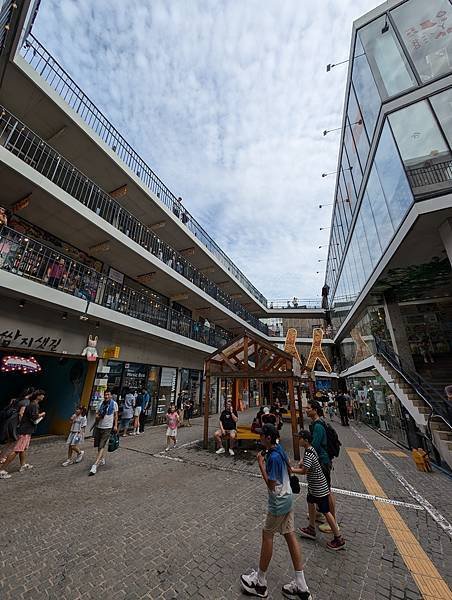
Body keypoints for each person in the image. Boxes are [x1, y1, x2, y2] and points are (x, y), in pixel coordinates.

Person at [240, 424, 311, 599]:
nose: (259, 437)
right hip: (288, 498)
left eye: (262, 435)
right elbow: (288, 467)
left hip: (278, 502)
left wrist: (260, 465)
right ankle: (301, 584)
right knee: (290, 535)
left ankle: (260, 583)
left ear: (268, 438)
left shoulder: (271, 458)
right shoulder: (279, 449)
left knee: (267, 536)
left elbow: (271, 485)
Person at [293, 430, 345, 551]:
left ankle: (339, 538)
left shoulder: (310, 453)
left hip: (319, 487)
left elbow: (304, 471)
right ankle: (311, 528)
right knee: (310, 502)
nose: (298, 440)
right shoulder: (309, 451)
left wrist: (291, 469)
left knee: (325, 511)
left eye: (300, 438)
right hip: (314, 486)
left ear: (306, 440)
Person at [0, 390, 46, 479]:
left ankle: (23, 465)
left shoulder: (30, 404)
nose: (43, 397)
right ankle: (2, 469)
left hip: (26, 430)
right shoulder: (34, 405)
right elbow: (34, 417)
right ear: (38, 396)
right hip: (25, 431)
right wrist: (42, 414)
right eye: (42, 395)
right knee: (16, 450)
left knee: (23, 449)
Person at [306, 400, 336, 533]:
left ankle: (332, 522)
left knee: (326, 490)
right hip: (320, 461)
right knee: (317, 489)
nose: (306, 410)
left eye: (308, 408)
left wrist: (304, 461)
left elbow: (314, 446)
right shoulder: (317, 424)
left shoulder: (318, 426)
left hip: (323, 461)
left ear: (315, 410)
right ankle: (318, 513)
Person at [89, 391, 118, 476]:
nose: (106, 396)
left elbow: (116, 415)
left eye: (108, 394)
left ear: (111, 396)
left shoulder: (114, 404)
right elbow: (97, 414)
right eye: (105, 395)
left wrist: (115, 425)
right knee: (98, 445)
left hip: (107, 427)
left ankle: (95, 465)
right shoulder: (100, 403)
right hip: (99, 426)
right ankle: (101, 458)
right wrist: (98, 416)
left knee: (102, 445)